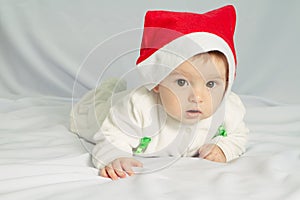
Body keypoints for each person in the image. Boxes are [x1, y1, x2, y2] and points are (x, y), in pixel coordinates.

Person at [70, 5, 249, 180]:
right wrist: (114, 156)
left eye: (211, 84)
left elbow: (239, 134)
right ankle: (106, 90)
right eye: (181, 82)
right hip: (107, 114)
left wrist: (223, 148)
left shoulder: (228, 108)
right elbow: (111, 135)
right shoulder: (138, 106)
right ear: (156, 82)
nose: (197, 97)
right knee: (89, 114)